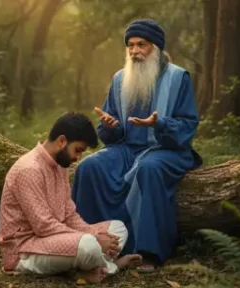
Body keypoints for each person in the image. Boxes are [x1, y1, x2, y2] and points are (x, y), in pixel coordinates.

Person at [72, 19, 202, 269]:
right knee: (89, 167)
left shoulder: (178, 78)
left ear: (156, 48)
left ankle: (146, 251)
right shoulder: (120, 79)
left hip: (166, 150)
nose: (135, 51)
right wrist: (111, 126)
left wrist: (159, 124)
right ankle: (87, 243)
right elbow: (113, 132)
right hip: (127, 149)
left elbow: (187, 125)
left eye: (141, 45)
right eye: (130, 46)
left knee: (148, 169)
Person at [0, 112, 142, 282]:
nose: (78, 158)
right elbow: (43, 226)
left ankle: (94, 266)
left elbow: (69, 215)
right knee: (88, 245)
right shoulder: (29, 169)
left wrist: (96, 233)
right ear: (62, 141)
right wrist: (94, 239)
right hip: (24, 249)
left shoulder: (60, 167)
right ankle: (111, 266)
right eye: (78, 150)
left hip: (53, 239)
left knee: (117, 228)